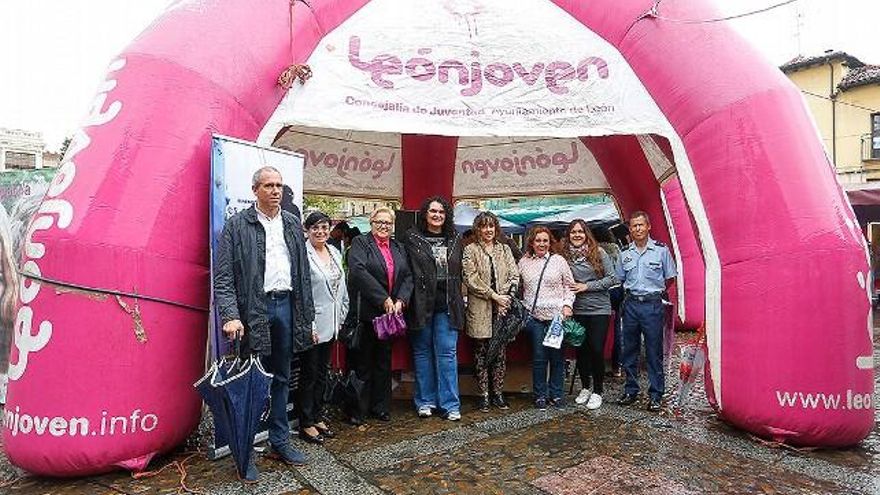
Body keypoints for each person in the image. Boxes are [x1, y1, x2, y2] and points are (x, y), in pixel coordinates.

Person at [214, 166, 314, 482]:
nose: (275, 191)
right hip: (253, 310)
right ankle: (244, 451)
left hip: (286, 305)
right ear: (255, 188)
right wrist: (230, 315)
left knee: (283, 377)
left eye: (279, 185)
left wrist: (306, 317)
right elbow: (224, 276)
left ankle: (279, 441)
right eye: (269, 185)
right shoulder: (236, 225)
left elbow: (303, 274)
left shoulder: (293, 224)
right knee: (251, 382)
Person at [346, 206, 413, 424]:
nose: (383, 226)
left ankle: (380, 407)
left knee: (383, 362)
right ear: (371, 223)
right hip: (367, 314)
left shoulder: (399, 247)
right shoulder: (360, 243)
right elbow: (358, 271)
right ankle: (358, 410)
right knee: (362, 363)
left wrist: (401, 300)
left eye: (388, 223)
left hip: (390, 316)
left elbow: (408, 276)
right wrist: (383, 299)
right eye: (379, 222)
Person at [402, 196, 465, 421]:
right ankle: (425, 401)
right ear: (425, 214)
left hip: (447, 305)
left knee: (447, 354)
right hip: (420, 304)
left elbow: (462, 272)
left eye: (441, 212)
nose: (437, 215)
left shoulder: (456, 238)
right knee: (422, 354)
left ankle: (450, 404)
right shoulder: (412, 238)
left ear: (446, 215)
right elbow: (406, 271)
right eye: (432, 211)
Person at [615, 211, 677, 412]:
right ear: (630, 229)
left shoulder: (660, 251)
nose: (638, 229)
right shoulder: (625, 253)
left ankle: (656, 393)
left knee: (653, 351)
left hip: (652, 305)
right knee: (629, 350)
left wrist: (656, 294)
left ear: (648, 226)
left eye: (641, 225)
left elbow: (670, 278)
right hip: (631, 305)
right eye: (634, 226)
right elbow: (620, 278)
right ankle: (630, 390)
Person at [298, 211, 349, 444]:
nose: (320, 232)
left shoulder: (335, 251)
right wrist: (308, 323)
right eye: (315, 228)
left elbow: (342, 287)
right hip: (313, 324)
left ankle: (318, 415)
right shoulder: (303, 255)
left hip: (333, 322)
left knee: (322, 373)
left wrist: (343, 314)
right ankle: (306, 422)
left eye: (324, 227)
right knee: (309, 373)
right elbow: (301, 294)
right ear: (307, 231)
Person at [461, 212, 519, 412]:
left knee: (500, 353)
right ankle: (484, 394)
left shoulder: (504, 249)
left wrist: (507, 298)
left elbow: (514, 275)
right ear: (477, 229)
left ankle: (498, 393)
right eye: (484, 226)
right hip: (481, 308)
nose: (488, 230)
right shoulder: (470, 250)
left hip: (502, 309)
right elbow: (471, 279)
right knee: (481, 352)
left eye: (491, 226)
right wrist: (495, 296)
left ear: (496, 228)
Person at [519, 226, 575, 410]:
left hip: (556, 318)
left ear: (550, 242)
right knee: (538, 358)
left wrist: (567, 305)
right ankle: (540, 395)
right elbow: (517, 285)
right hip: (534, 317)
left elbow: (569, 286)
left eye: (545, 240)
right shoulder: (524, 262)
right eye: (538, 240)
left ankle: (556, 394)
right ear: (532, 243)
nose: (541, 244)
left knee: (557, 358)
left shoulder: (559, 261)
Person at [563, 220, 617, 410]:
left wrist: (587, 286)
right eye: (573, 232)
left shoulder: (599, 253)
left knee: (596, 348)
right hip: (578, 309)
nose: (577, 235)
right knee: (581, 350)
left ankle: (598, 390)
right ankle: (585, 387)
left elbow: (612, 278)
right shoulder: (565, 257)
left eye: (580, 231)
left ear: (586, 234)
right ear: (568, 235)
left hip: (599, 309)